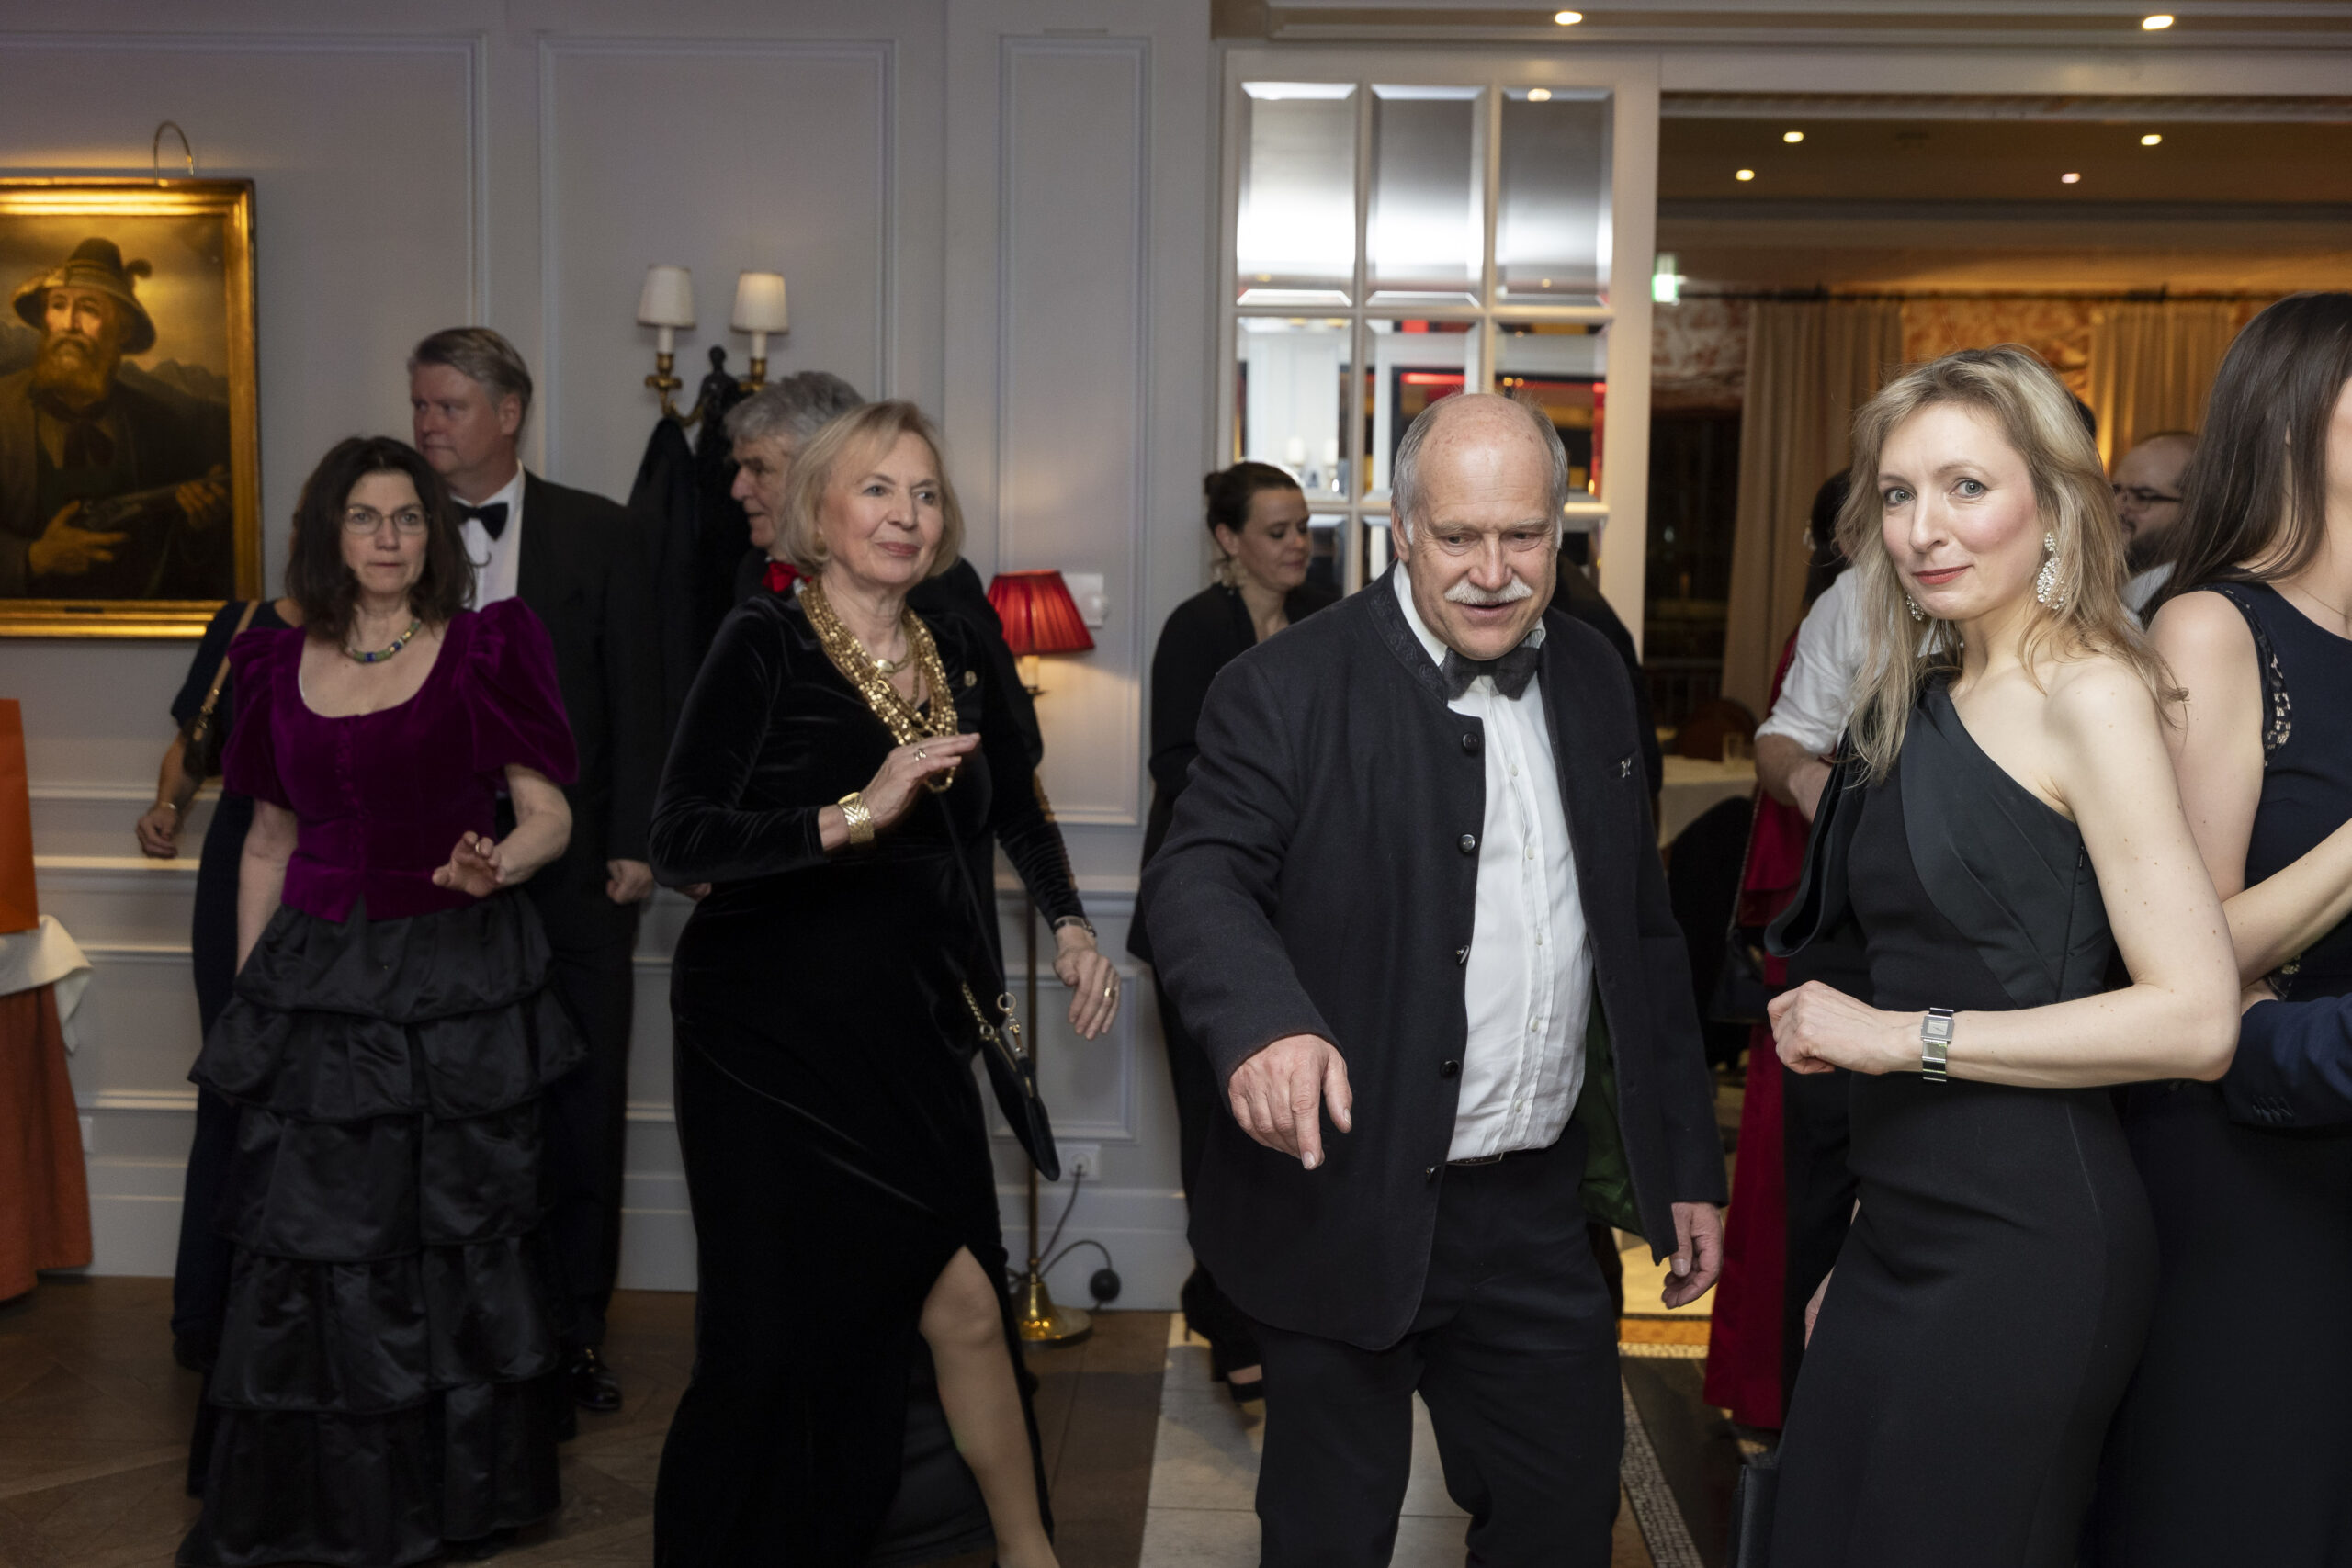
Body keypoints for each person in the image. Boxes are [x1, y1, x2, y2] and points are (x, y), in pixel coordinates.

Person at [1143, 392, 1727, 1564]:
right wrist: (1263, 1023)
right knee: (1329, 1539)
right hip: (1342, 1199)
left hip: (1538, 1214)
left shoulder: (1594, 677)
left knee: (1560, 1527)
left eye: (1524, 537)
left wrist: (1683, 1166)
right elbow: (1196, 877)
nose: (1493, 573)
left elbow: (1642, 940)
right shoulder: (1284, 685)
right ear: (1401, 530)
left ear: (1560, 531)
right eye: (1458, 536)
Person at [1761, 346, 2237, 1567]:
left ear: (2056, 505)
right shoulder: (1912, 697)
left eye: (1965, 486)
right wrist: (1860, 1234)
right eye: (1899, 492)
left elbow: (2195, 1018)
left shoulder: (2092, 693)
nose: (1923, 527)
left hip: (2027, 1245)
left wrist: (1892, 1038)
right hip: (1894, 1228)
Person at [647, 400, 1115, 1568]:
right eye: (876, 490)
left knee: (965, 1301)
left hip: (910, 1033)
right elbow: (682, 840)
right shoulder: (763, 641)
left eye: (923, 493)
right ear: (818, 509)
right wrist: (858, 810)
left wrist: (1069, 926)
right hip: (765, 1045)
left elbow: (1015, 807)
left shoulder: (957, 641)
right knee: (768, 1339)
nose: (906, 514)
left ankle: (1029, 1552)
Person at [177, 435, 582, 1566]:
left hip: (451, 979)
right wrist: (252, 1008)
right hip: (316, 985)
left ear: (434, 534)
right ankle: (319, 1498)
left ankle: (443, 1495)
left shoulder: (489, 647)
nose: (390, 537)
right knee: (314, 1244)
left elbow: (548, 817)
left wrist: (499, 862)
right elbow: (267, 845)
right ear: (330, 533)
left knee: (446, 1240)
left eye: (408, 516)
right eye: (365, 517)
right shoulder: (272, 663)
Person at [2088, 293, 2352, 1566]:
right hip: (2254, 1162)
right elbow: (2179, 960)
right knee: (2251, 1506)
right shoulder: (2215, 627)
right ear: (2294, 420)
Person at [410, 327, 664, 1413]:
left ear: (508, 413)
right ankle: (450, 1338)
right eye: (420, 406)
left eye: (449, 406)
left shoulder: (600, 532)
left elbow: (642, 689)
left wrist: (637, 839)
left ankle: (571, 1337)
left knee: (578, 1107)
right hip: (427, 876)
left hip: (578, 876)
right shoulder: (391, 527)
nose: (427, 425)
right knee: (446, 1110)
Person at [1131, 461, 1337, 1404]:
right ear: (1228, 539)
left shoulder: (1328, 616)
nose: (1298, 546)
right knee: (1213, 1125)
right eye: (1276, 530)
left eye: (1303, 528)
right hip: (1205, 912)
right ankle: (1223, 1313)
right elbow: (1173, 764)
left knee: (1289, 1128)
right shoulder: (1195, 628)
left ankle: (1276, 1304)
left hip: (1303, 915)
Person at [134, 579, 303, 1486]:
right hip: (240, 852)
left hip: (333, 857)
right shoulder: (242, 623)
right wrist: (167, 806)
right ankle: (204, 1315)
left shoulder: (381, 628)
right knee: (231, 1087)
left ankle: (298, 1309)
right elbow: (191, 737)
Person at [1, 237, 230, 598]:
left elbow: (180, 568)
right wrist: (32, 558)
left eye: (88, 309)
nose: (69, 324)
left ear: (123, 331)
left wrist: (198, 530)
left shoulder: (158, 424)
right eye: (58, 305)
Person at [2115, 429, 2196, 615]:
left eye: (2142, 497)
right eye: (2116, 490)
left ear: (2192, 511)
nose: (2116, 508)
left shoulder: (2186, 608)